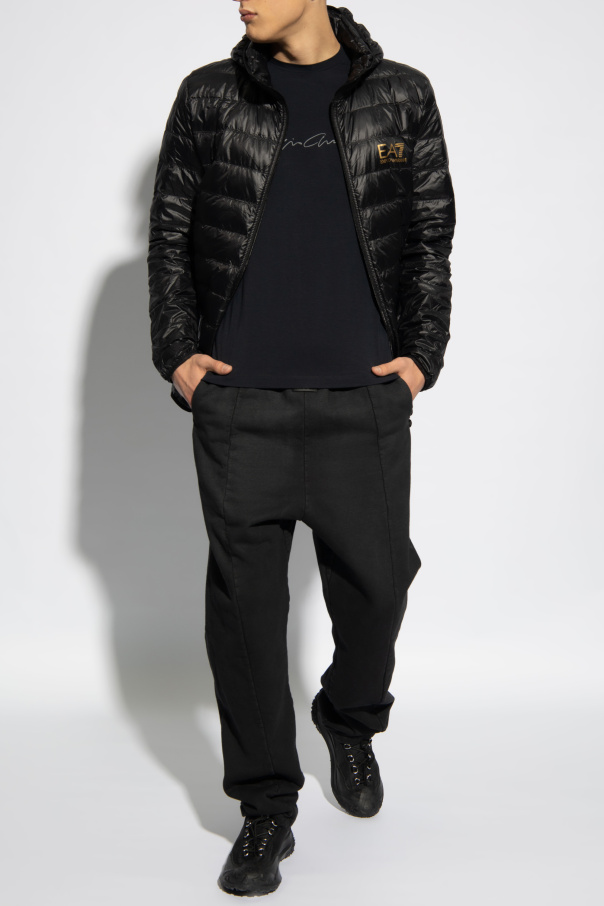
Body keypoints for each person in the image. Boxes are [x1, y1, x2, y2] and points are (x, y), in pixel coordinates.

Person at [147, 0, 455, 896]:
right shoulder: (210, 96)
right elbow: (169, 233)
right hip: (240, 401)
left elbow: (429, 237)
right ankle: (265, 808)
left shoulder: (401, 95)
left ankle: (348, 719)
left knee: (380, 583)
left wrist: (421, 359)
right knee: (244, 611)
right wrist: (179, 355)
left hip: (364, 395)